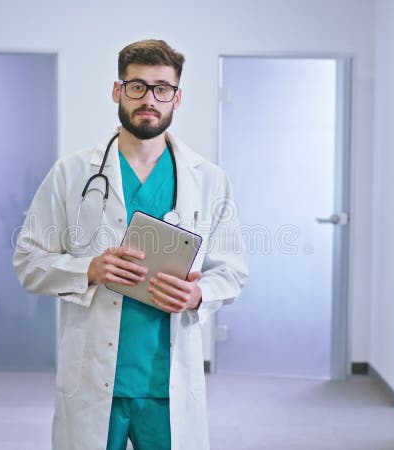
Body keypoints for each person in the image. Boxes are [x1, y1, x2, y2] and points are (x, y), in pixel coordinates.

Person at [13, 39, 248, 450]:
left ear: (177, 97)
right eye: (137, 86)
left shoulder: (207, 179)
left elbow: (231, 271)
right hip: (94, 378)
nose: (150, 99)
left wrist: (198, 293)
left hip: (166, 382)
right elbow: (28, 259)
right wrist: (88, 269)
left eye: (162, 88)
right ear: (117, 91)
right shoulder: (71, 173)